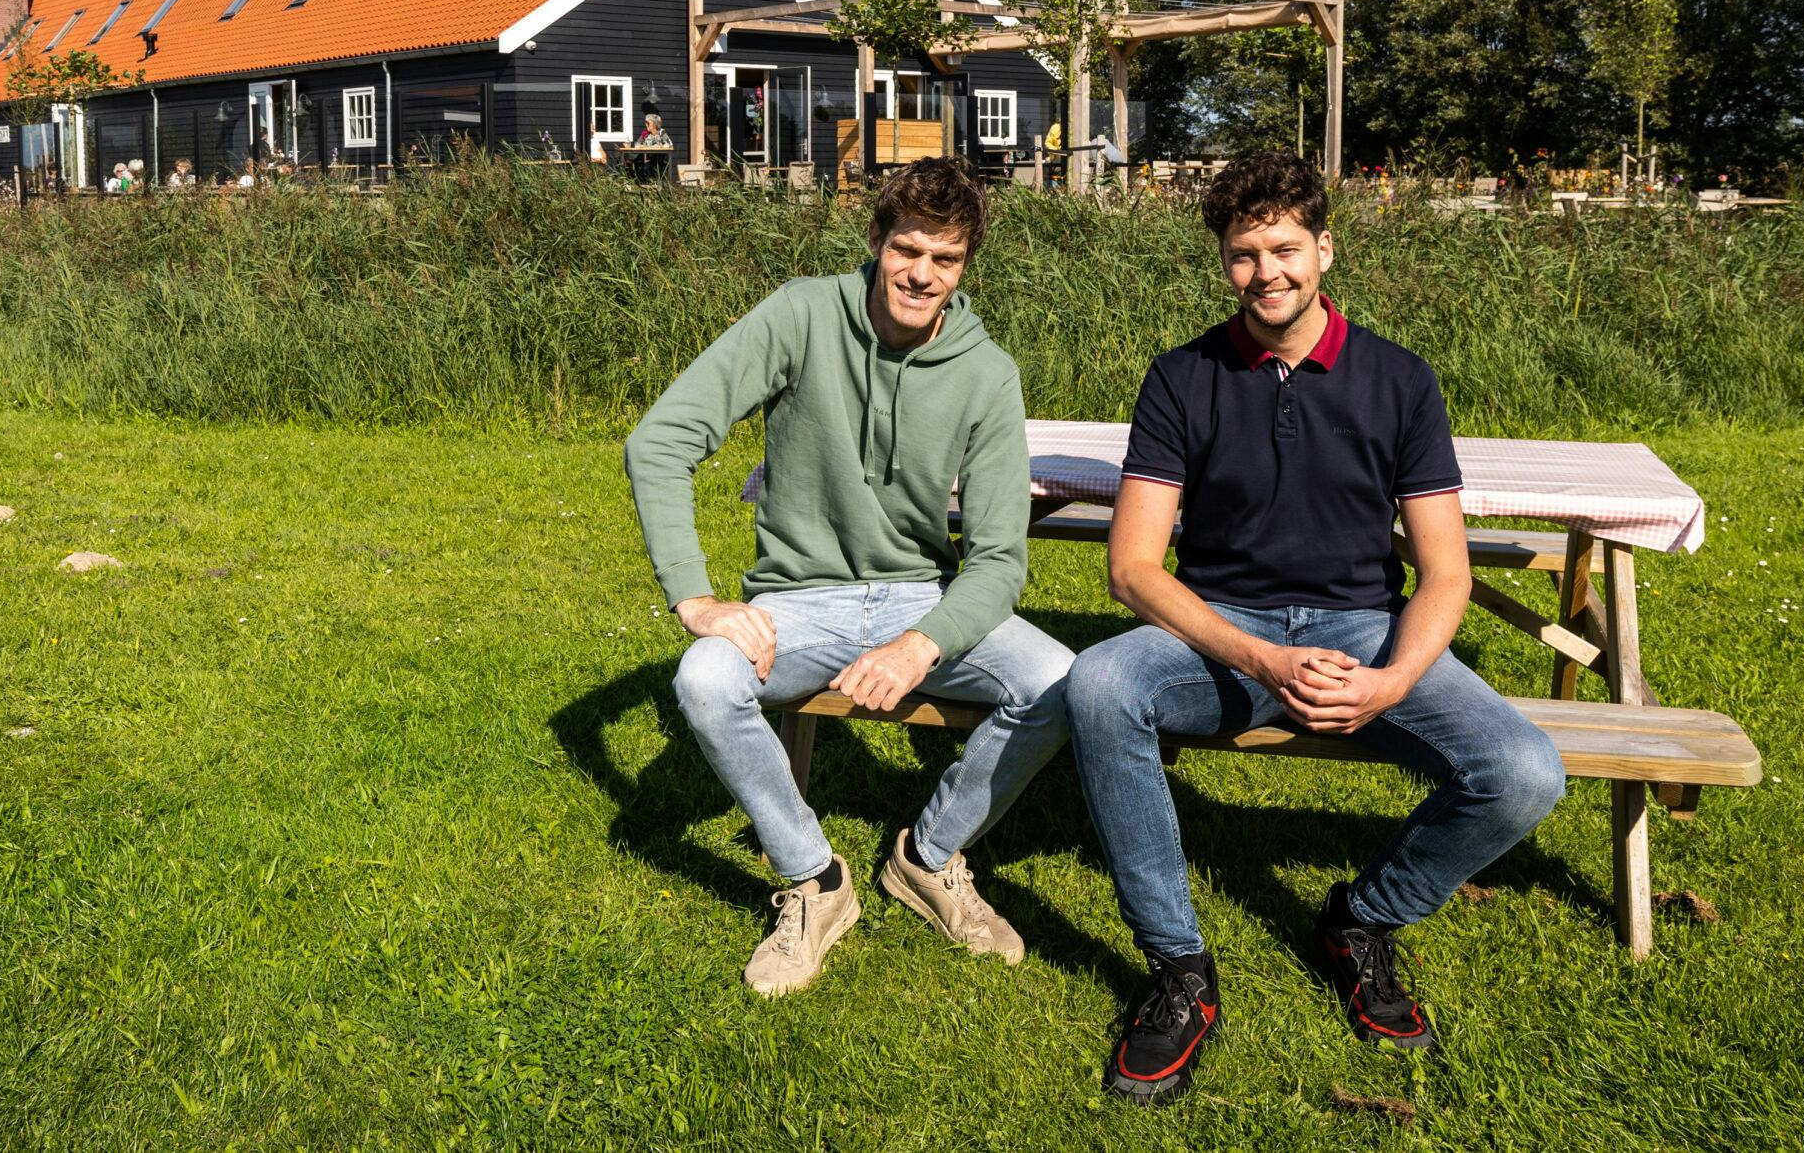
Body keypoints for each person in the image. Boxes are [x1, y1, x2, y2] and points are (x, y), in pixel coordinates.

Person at [1067, 152, 1565, 1106]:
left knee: (1525, 769)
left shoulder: (1399, 380)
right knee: (1099, 685)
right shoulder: (1183, 377)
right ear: (1223, 261)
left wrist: (1385, 682)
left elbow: (1446, 571)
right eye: (1245, 254)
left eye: (1286, 248)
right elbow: (1131, 566)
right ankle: (1178, 968)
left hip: (1364, 634)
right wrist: (1256, 653)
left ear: (1325, 247)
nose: (1268, 273)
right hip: (1226, 633)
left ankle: (1362, 920)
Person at [625, 158, 1072, 997]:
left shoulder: (988, 375)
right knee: (705, 677)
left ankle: (929, 856)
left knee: (1059, 677)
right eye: (907, 250)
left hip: (921, 595)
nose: (921, 275)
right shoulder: (801, 314)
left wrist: (921, 643)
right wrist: (695, 594)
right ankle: (814, 878)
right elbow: (659, 441)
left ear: (967, 262)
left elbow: (1001, 558)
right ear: (875, 239)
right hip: (799, 599)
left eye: (944, 259)